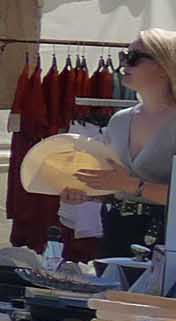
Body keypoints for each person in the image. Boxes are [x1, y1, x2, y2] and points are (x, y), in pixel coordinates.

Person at [65, 27, 176, 251]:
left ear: (163, 66)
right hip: (117, 233)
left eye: (133, 57)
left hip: (169, 240)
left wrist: (131, 185)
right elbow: (114, 187)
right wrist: (87, 193)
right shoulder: (119, 121)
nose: (123, 63)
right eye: (123, 55)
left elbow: (125, 184)